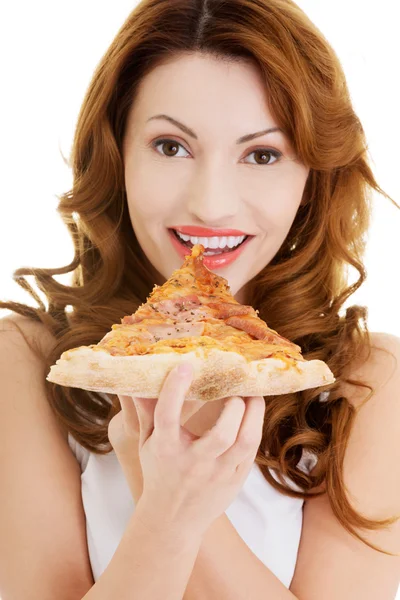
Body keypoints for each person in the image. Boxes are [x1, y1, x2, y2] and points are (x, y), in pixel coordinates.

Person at [1, 0, 399, 598]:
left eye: (262, 154)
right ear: (117, 155)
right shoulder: (27, 363)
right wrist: (165, 512)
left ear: (310, 180)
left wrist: (171, 487)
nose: (211, 204)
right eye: (171, 146)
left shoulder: (368, 383)